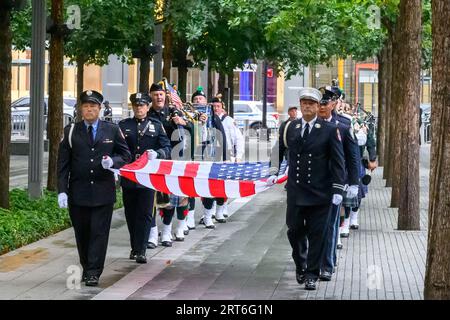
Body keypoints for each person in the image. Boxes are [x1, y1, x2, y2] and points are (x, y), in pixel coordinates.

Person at [268, 87, 345, 290]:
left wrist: (339, 189)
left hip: (321, 192)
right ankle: (300, 264)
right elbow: (279, 150)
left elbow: (338, 161)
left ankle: (312, 273)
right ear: (300, 105)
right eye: (304, 103)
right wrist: (273, 171)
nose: (307, 106)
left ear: (318, 106)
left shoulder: (329, 129)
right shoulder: (290, 127)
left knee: (317, 234)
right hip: (296, 190)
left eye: (311, 103)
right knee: (294, 231)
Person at [57, 90, 131, 286]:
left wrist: (112, 162)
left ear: (99, 109)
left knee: (99, 233)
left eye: (93, 106)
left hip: (102, 192)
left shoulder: (112, 130)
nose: (89, 109)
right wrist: (62, 190)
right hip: (78, 192)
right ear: (81, 109)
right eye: (86, 106)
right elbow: (63, 164)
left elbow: (126, 156)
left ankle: (93, 272)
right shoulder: (71, 131)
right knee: (82, 234)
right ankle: (86, 265)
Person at [119, 92, 171, 263]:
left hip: (147, 176)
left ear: (148, 107)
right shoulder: (124, 125)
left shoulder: (156, 125)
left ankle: (141, 249)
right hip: (129, 176)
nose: (139, 108)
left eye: (142, 105)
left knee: (145, 213)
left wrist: (158, 153)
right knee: (130, 213)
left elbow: (166, 147)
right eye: (136, 105)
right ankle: (134, 246)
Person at [317, 86, 360, 281]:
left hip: (335, 184)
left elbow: (352, 157)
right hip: (314, 184)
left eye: (325, 102)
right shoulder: (310, 124)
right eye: (319, 103)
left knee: (331, 225)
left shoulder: (343, 125)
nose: (321, 106)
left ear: (334, 103)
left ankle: (327, 263)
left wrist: (353, 183)